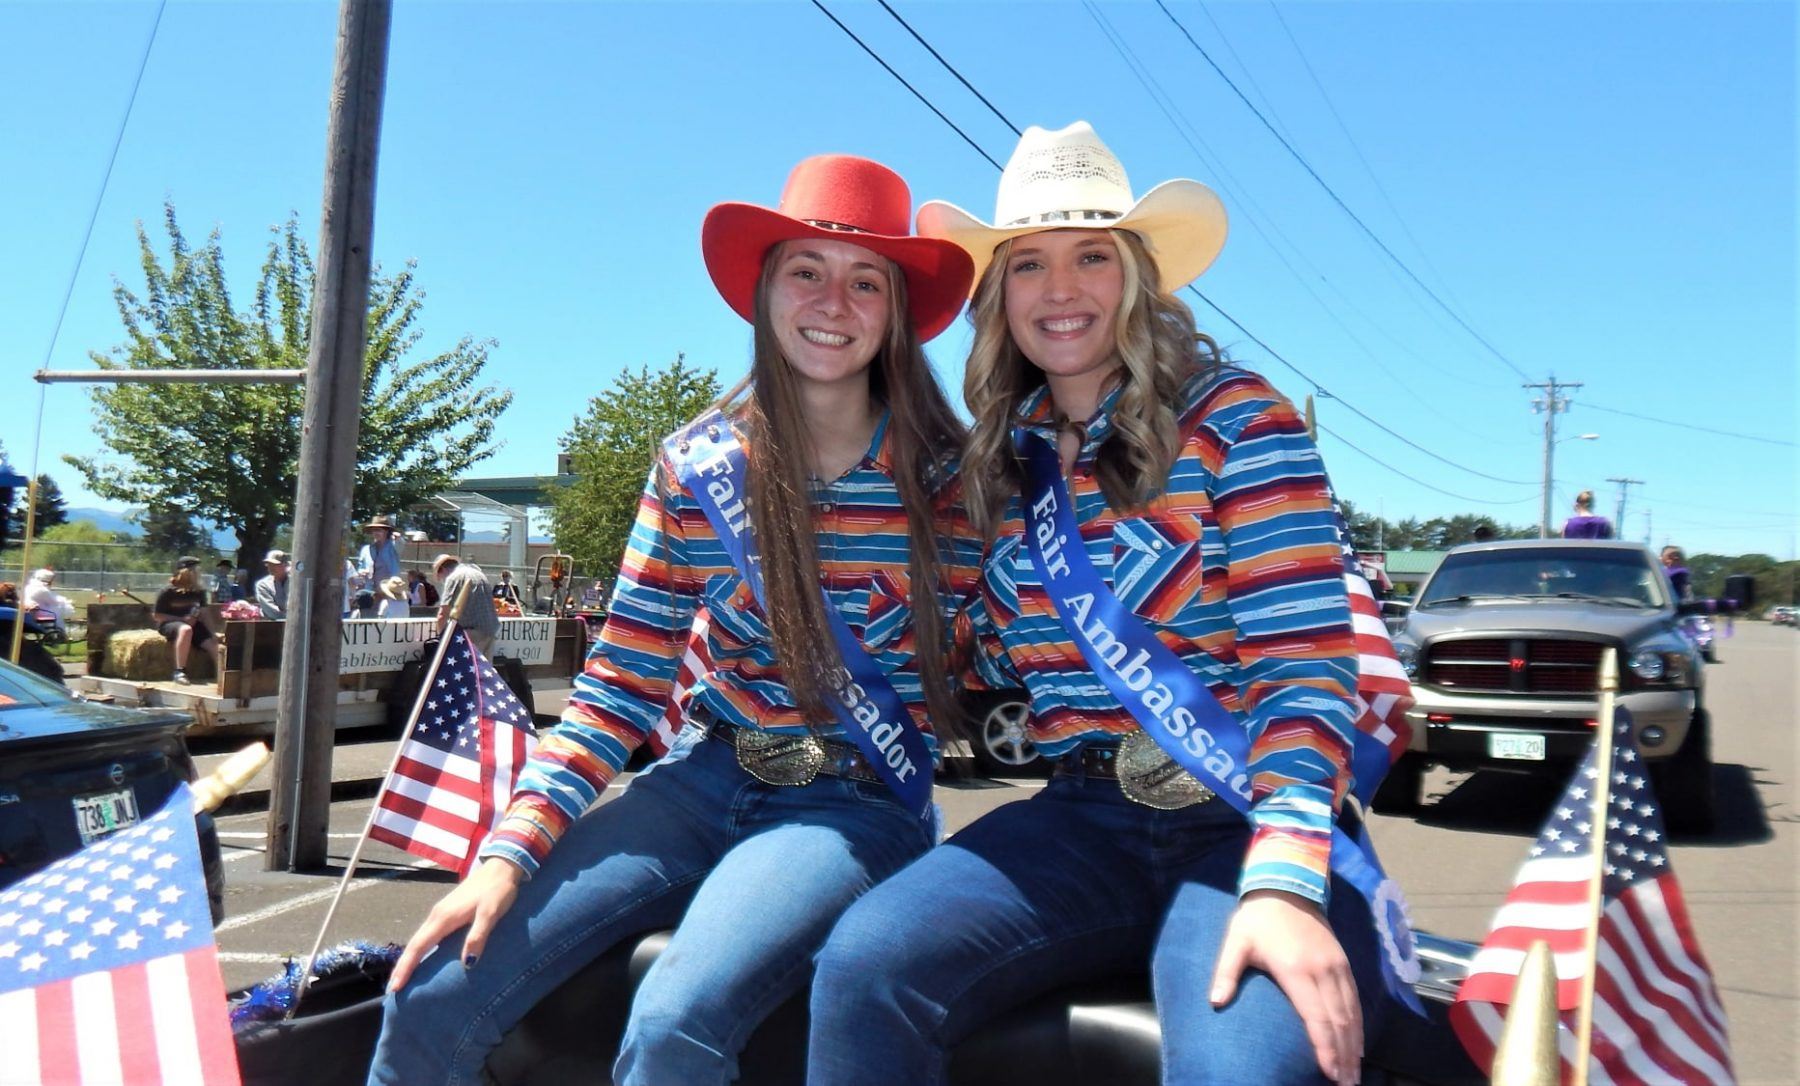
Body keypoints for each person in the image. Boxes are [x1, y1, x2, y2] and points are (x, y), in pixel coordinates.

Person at [369, 153, 977, 1086]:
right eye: (805, 271)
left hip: (851, 803)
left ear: (897, 311)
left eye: (866, 281)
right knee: (435, 986)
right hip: (701, 775)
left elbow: (1013, 656)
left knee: (676, 1020)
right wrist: (509, 849)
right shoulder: (699, 464)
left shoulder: (955, 482)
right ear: (765, 292)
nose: (833, 300)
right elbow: (622, 683)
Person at [809, 123, 1397, 1086]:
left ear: (1137, 276)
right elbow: (954, 650)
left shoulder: (1240, 421)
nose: (1062, 289)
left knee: (1241, 1071)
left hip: (1242, 817)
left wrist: (1286, 885)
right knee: (865, 965)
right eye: (1029, 264)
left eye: (1092, 255)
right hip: (1080, 816)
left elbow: (1304, 672)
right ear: (999, 295)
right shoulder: (992, 467)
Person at [154, 557, 220, 684]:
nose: (197, 574)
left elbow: (205, 613)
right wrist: (181, 619)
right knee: (186, 630)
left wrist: (213, 633)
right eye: (194, 571)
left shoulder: (199, 592)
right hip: (170, 624)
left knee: (212, 644)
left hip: (194, 624)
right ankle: (179, 671)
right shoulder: (167, 591)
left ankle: (223, 674)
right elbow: (158, 616)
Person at [429, 554, 500, 657]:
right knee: (482, 671)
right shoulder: (479, 574)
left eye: (440, 578)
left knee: (464, 670)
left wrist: (442, 638)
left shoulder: (453, 578)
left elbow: (443, 614)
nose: (442, 581)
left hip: (471, 634)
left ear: (443, 570)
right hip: (490, 630)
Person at [358, 515, 403, 588]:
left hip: (388, 590)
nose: (376, 533)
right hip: (369, 590)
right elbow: (360, 568)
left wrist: (398, 538)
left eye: (379, 530)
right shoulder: (365, 549)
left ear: (386, 531)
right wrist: (361, 572)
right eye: (374, 530)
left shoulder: (393, 547)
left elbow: (401, 543)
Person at [254, 550, 290, 620]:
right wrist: (291, 618)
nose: (270, 567)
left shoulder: (295, 583)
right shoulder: (263, 584)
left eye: (275, 564)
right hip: (270, 624)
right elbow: (271, 610)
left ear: (285, 565)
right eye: (268, 564)